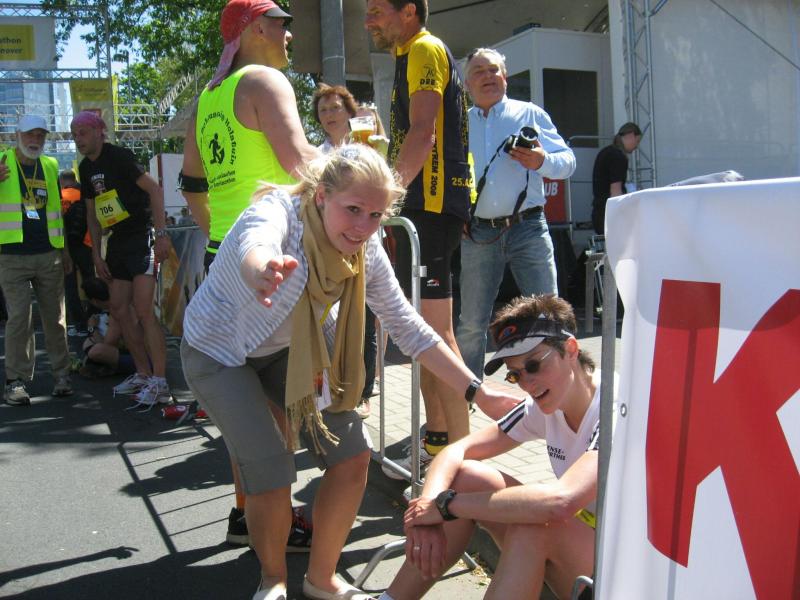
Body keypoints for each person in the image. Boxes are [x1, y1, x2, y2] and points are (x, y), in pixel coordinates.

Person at [180, 144, 520, 600]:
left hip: (290, 351)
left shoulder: (366, 248)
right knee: (270, 466)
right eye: (353, 209)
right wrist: (261, 267)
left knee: (353, 455)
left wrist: (477, 391)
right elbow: (255, 240)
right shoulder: (280, 212)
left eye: (376, 215)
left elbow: (409, 326)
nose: (363, 226)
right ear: (322, 196)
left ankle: (321, 579)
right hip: (218, 352)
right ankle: (273, 579)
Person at [180, 0, 319, 550]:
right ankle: (275, 523)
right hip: (271, 263)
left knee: (249, 405)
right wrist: (359, 172)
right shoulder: (264, 81)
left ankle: (247, 514)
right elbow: (300, 162)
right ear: (257, 28)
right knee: (274, 403)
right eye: (283, 25)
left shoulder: (207, 98)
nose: (290, 35)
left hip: (226, 259)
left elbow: (192, 183)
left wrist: (223, 234)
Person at [380, 294, 602, 600]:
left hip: (628, 572)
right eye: (515, 374)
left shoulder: (616, 407)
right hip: (587, 549)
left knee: (536, 525)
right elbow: (455, 451)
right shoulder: (547, 398)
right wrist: (427, 510)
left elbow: (561, 501)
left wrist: (447, 506)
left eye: (534, 364)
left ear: (571, 349)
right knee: (467, 477)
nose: (527, 383)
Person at [365, 0, 473, 480]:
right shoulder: (407, 54)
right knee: (423, 334)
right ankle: (437, 441)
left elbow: (424, 132)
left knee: (436, 334)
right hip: (424, 207)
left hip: (431, 206)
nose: (369, 20)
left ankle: (464, 459)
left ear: (408, 10)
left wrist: (384, 196)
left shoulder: (426, 49)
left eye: (376, 10)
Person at [456, 48, 576, 380]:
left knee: (549, 315)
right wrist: (457, 216)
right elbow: (451, 176)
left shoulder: (530, 114)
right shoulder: (458, 122)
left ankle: (562, 389)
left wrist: (541, 161)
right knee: (471, 323)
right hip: (477, 232)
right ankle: (467, 395)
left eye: (493, 70)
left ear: (505, 78)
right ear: (467, 84)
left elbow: (568, 162)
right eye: (478, 71)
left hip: (528, 226)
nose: (487, 76)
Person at [71, 110, 171, 408]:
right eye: (74, 135)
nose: (78, 139)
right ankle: (142, 373)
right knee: (118, 308)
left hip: (141, 236)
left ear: (99, 132)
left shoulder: (119, 156)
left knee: (144, 309)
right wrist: (96, 254)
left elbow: (155, 189)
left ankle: (160, 380)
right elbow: (92, 213)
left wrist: (161, 234)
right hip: (117, 242)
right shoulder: (84, 169)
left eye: (83, 133)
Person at [0, 114, 73, 405]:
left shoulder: (51, 165)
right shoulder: (2, 161)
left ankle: (62, 376)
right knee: (19, 318)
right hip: (11, 255)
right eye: (30, 134)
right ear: (16, 135)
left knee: (56, 319)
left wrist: (64, 250)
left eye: (41, 135)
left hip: (48, 254)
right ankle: (15, 382)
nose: (35, 140)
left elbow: (56, 211)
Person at [79, 277, 136, 379]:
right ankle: (104, 366)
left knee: (95, 351)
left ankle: (111, 368)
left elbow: (106, 346)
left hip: (141, 359)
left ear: (94, 301)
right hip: (142, 353)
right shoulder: (121, 300)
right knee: (88, 343)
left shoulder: (116, 310)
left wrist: (92, 328)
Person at [60, 168, 94, 337]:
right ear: (74, 179)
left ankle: (78, 324)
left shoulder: (59, 196)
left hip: (66, 246)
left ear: (62, 181)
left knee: (70, 286)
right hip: (86, 245)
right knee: (90, 282)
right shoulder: (84, 194)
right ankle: (94, 319)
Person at [591, 121, 641, 234]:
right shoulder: (618, 157)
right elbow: (615, 191)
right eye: (637, 141)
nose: (637, 146)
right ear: (630, 135)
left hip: (600, 212)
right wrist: (622, 217)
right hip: (610, 215)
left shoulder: (606, 152)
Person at [312, 83, 359, 152]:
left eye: (335, 107)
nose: (328, 115)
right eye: (323, 110)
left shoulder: (366, 148)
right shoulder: (317, 155)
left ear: (349, 112)